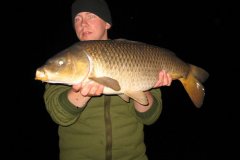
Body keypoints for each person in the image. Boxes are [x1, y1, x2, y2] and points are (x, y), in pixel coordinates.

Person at [43, 0, 172, 159]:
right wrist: (82, 94)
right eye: (77, 19)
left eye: (90, 16)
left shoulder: (138, 55)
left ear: (107, 23)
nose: (83, 24)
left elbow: (149, 117)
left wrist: (143, 88)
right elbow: (59, 115)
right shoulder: (68, 62)